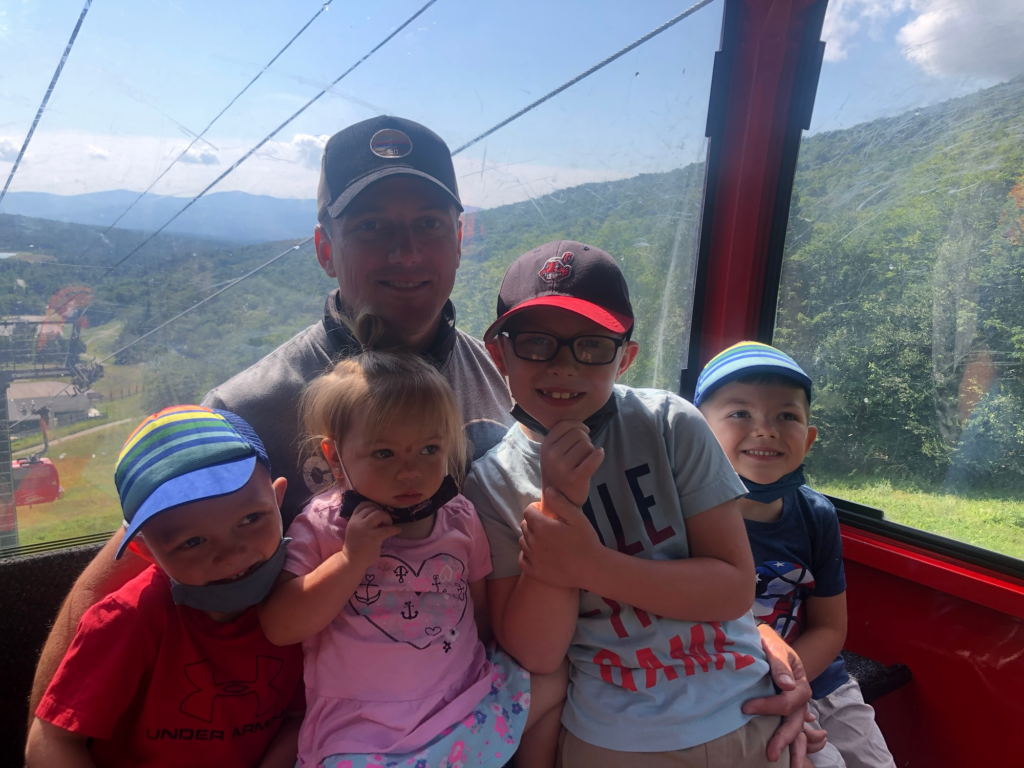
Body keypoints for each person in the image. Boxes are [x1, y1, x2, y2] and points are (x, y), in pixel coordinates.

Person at [29, 117, 811, 756]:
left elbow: (571, 568)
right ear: (325, 246)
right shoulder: (257, 404)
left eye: (429, 225)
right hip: (322, 726)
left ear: (461, 237)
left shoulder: (513, 391)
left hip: (483, 706)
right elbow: (135, 568)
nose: (406, 253)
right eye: (372, 227)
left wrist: (744, 642)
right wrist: (47, 728)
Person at [463, 240, 806, 767]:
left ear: (626, 357)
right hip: (617, 734)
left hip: (748, 708)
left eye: (592, 346)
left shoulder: (670, 424)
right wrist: (558, 509)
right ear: (498, 353)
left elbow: (732, 589)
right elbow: (536, 652)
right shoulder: (493, 484)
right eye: (536, 343)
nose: (564, 366)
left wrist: (590, 565)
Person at [258, 315, 566, 768]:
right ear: (334, 456)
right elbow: (280, 626)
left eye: (429, 450)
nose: (410, 471)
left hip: (462, 704)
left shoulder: (458, 515)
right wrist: (349, 560)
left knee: (552, 677)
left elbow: (478, 615)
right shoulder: (324, 525)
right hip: (366, 737)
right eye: (384, 453)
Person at [25, 405, 304, 768]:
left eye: (251, 518)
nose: (230, 553)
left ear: (277, 499)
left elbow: (299, 717)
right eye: (192, 542)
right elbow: (50, 740)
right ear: (145, 550)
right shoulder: (129, 621)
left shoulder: (306, 603)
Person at [695, 342, 896, 768]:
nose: (765, 429)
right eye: (740, 413)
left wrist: (789, 680)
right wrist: (767, 687)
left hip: (820, 677)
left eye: (786, 416)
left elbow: (829, 625)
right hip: (731, 686)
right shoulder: (687, 518)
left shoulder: (816, 515)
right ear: (696, 432)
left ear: (808, 439)